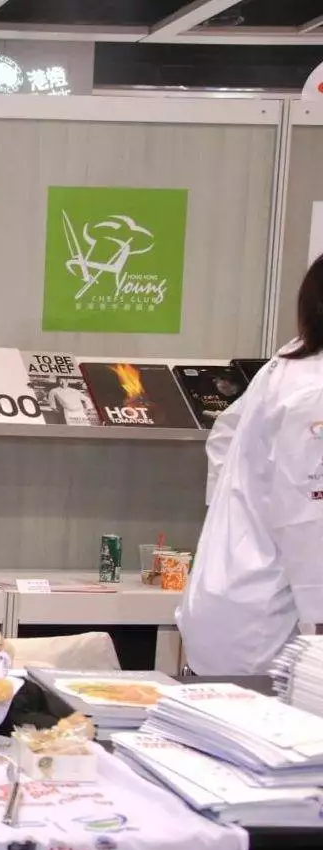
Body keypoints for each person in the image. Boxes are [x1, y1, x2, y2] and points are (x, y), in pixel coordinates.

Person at [178, 255, 323, 675]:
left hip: (238, 593)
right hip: (268, 623)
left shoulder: (289, 364)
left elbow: (224, 435)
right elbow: (308, 519)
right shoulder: (312, 393)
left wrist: (237, 519)